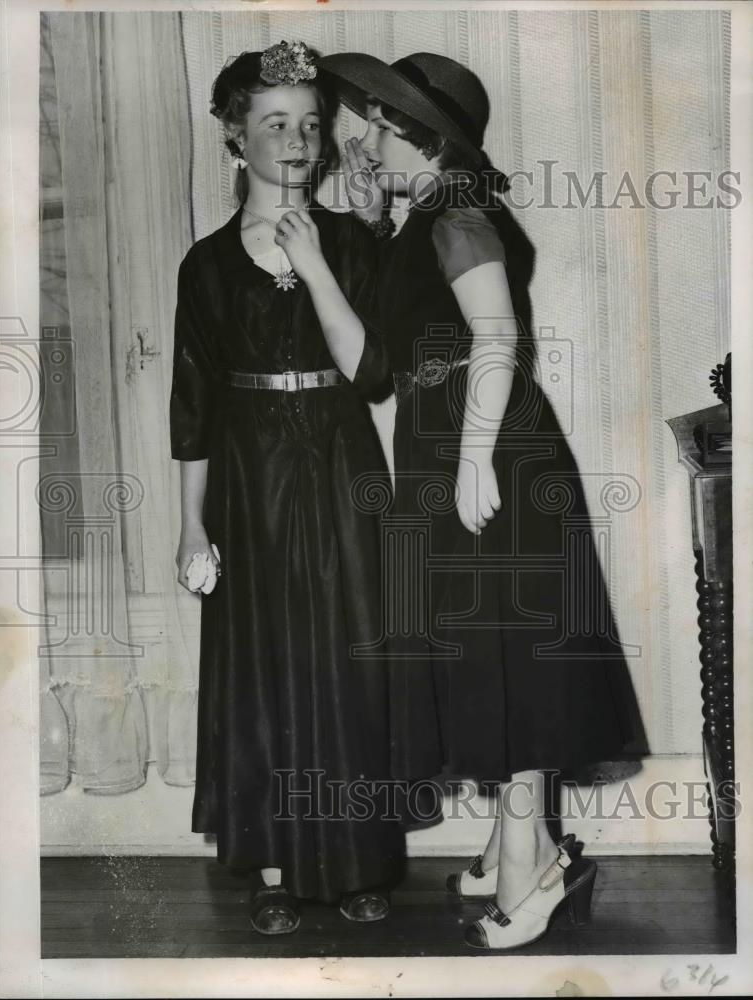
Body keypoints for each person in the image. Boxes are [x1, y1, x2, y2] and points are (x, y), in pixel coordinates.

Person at [318, 50, 648, 950]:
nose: (359, 140)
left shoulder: (460, 209)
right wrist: (363, 223)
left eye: (373, 126)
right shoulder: (424, 215)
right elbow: (381, 366)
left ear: (408, 131)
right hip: (448, 446)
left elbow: (495, 335)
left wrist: (473, 457)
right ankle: (528, 842)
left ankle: (524, 873)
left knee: (512, 666)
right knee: (489, 662)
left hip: (490, 450)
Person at [169, 41, 404, 936]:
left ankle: (356, 860)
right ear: (236, 136)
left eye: (310, 123)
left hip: (344, 468)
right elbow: (191, 407)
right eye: (275, 123)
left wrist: (317, 263)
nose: (297, 140)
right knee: (261, 665)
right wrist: (192, 528)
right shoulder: (205, 265)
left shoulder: (350, 241)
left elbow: (375, 372)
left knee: (352, 657)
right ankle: (271, 863)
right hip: (247, 476)